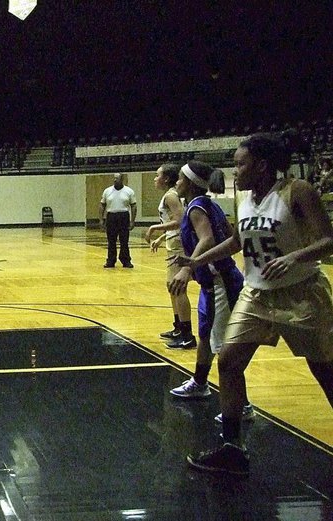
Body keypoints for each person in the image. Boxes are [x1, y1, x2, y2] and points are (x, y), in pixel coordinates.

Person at [180, 131, 333, 476]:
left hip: (302, 292)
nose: (235, 171)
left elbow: (329, 240)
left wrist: (294, 257)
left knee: (325, 370)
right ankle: (233, 449)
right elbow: (236, 241)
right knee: (229, 360)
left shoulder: (297, 191)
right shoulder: (243, 198)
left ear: (262, 166)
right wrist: (195, 263)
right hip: (257, 293)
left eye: (240, 164)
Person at [166, 163, 249, 415]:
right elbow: (229, 235)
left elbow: (208, 239)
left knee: (224, 347)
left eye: (180, 178)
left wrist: (189, 268)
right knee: (206, 337)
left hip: (220, 281)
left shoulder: (197, 207)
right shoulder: (207, 204)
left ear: (191, 182)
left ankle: (242, 405)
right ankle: (200, 383)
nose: (176, 182)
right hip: (214, 281)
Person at [144, 163, 194, 347]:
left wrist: (155, 228)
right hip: (173, 242)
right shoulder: (170, 195)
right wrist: (162, 237)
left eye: (157, 175)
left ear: (166, 178)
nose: (155, 179)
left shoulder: (171, 196)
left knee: (178, 288)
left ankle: (187, 335)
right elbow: (174, 222)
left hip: (179, 245)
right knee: (171, 286)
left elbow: (181, 221)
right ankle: (178, 327)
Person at [100, 173, 136, 268]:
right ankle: (111, 261)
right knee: (111, 240)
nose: (115, 180)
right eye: (114, 178)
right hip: (111, 217)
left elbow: (133, 206)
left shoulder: (129, 191)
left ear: (122, 180)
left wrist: (132, 221)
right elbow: (102, 205)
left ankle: (126, 260)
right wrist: (101, 219)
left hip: (124, 216)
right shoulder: (107, 191)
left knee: (124, 240)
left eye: (117, 178)